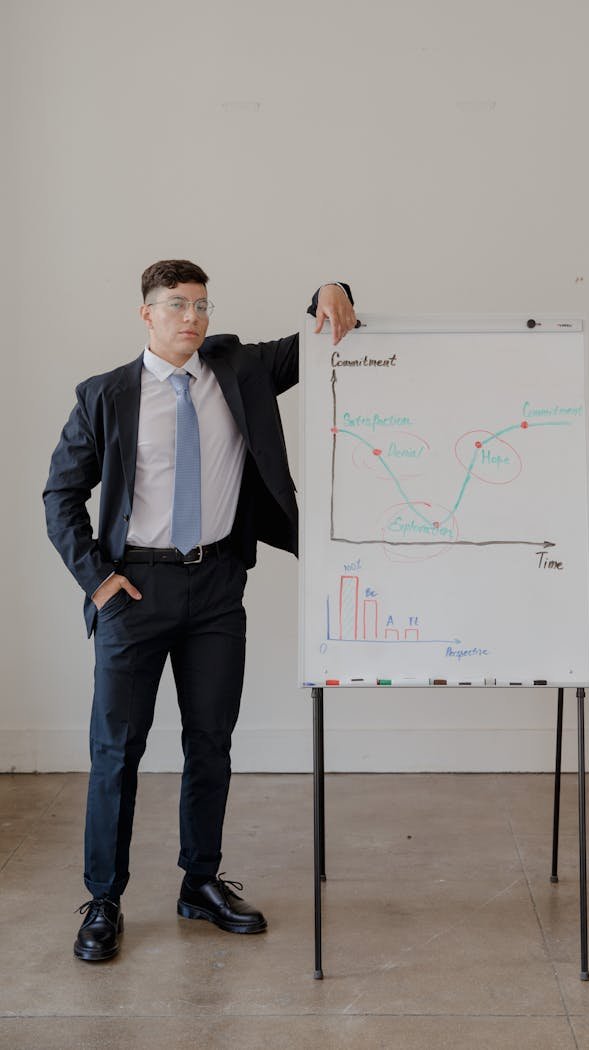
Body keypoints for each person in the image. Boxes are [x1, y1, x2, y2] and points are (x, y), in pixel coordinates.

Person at [43, 260, 356, 962]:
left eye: (202, 305)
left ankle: (200, 881)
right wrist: (98, 581)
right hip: (135, 591)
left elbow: (315, 335)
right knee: (116, 751)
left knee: (211, 741)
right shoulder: (105, 396)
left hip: (216, 587)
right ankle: (103, 898)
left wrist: (332, 287)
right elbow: (59, 496)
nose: (192, 316)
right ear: (146, 315)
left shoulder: (238, 370)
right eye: (177, 305)